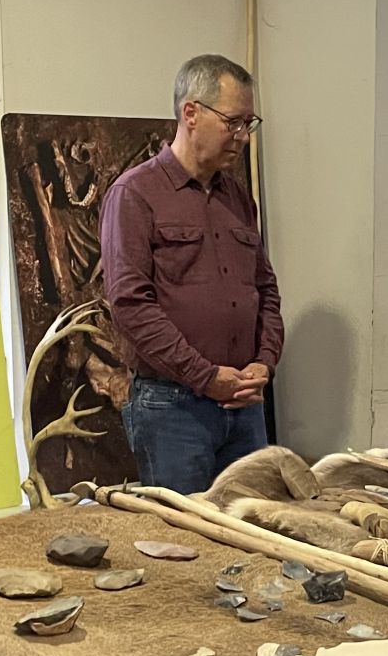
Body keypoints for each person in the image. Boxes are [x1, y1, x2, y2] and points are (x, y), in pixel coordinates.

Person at [101, 54, 281, 493]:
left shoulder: (238, 199)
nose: (241, 137)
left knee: (255, 535)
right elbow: (130, 306)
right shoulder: (135, 195)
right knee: (185, 546)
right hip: (173, 410)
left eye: (248, 124)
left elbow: (266, 290)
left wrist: (265, 361)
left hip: (244, 405)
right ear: (191, 113)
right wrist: (205, 377)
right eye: (233, 122)